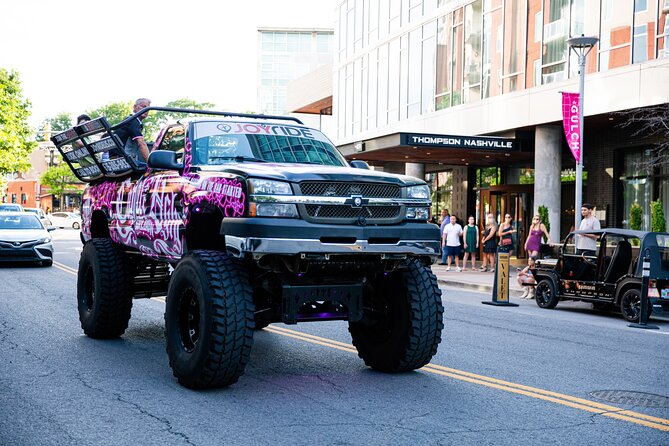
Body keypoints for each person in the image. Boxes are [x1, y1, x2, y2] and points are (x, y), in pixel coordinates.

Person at [114, 97, 151, 168]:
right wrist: (150, 163)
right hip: (122, 162)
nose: (146, 111)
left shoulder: (129, 120)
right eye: (144, 107)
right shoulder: (133, 121)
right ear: (135, 107)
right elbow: (141, 144)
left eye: (148, 109)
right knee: (156, 169)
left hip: (118, 160)